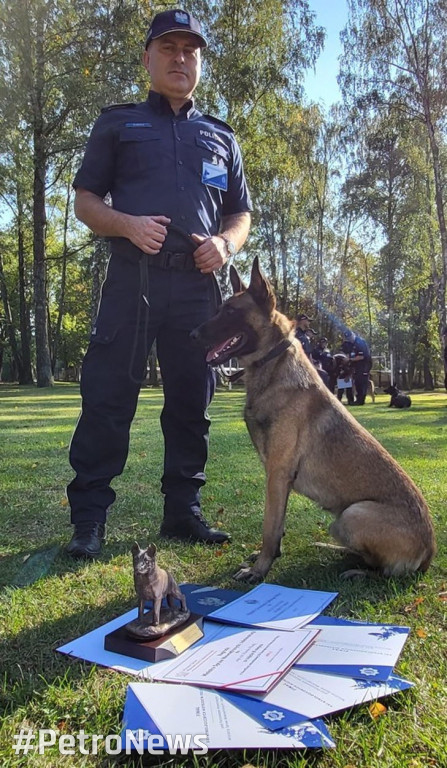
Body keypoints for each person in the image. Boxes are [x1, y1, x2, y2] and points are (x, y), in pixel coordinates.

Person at [65, 9, 252, 558]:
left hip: (198, 290)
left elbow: (241, 213)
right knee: (107, 396)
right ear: (148, 57)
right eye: (168, 48)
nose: (179, 58)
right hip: (133, 282)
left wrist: (226, 245)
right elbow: (85, 202)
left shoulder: (221, 136)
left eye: (189, 50)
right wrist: (127, 225)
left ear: (199, 62)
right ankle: (89, 519)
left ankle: (182, 513)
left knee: (193, 401)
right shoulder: (118, 123)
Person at [341, 330, 372, 405]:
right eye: (348, 338)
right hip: (356, 366)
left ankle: (361, 400)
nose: (349, 339)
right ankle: (357, 399)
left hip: (364, 365)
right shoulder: (350, 344)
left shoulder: (360, 342)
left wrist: (350, 359)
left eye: (350, 337)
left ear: (353, 335)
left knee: (362, 382)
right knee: (357, 382)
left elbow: (361, 356)